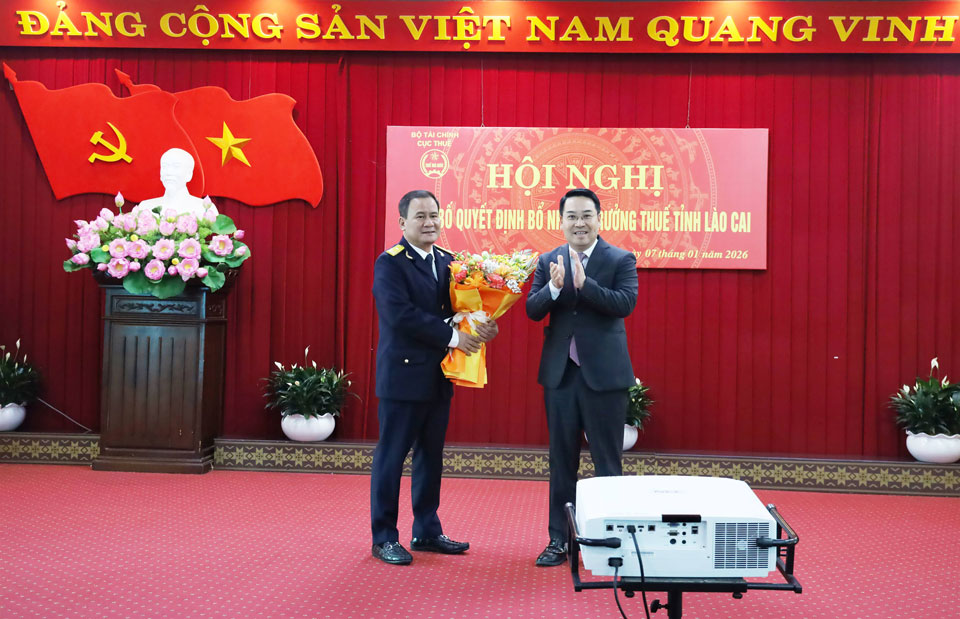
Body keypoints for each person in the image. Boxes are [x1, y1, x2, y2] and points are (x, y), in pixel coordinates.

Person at [370, 189, 498, 565]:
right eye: (420, 216)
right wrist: (456, 336)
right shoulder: (390, 263)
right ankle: (384, 537)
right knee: (392, 457)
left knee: (431, 456)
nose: (429, 223)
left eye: (434, 216)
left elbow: (462, 309)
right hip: (403, 376)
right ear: (402, 223)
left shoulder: (450, 261)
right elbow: (401, 316)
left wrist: (482, 326)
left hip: (439, 375)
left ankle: (426, 530)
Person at [526, 187, 639, 567]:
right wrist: (556, 289)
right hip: (561, 377)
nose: (579, 223)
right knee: (562, 461)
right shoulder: (548, 260)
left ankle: (611, 540)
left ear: (599, 218)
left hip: (604, 377)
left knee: (608, 462)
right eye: (571, 216)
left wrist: (584, 285)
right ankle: (559, 540)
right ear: (561, 221)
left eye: (586, 215)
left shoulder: (620, 258)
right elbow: (532, 309)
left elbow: (625, 303)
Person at [137, 148, 206, 216]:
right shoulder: (145, 207)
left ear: (189, 174)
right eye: (164, 166)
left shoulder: (204, 208)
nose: (168, 172)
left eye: (176, 166)